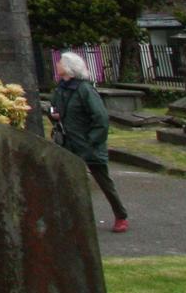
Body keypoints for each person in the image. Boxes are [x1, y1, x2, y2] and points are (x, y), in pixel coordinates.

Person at [48, 52, 129, 233]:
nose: (57, 64)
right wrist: (53, 114)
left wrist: (92, 141)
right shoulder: (60, 89)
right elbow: (53, 107)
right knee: (65, 181)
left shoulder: (85, 89)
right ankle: (71, 218)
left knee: (104, 182)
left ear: (69, 67)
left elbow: (100, 118)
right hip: (67, 143)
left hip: (87, 144)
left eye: (60, 62)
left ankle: (120, 215)